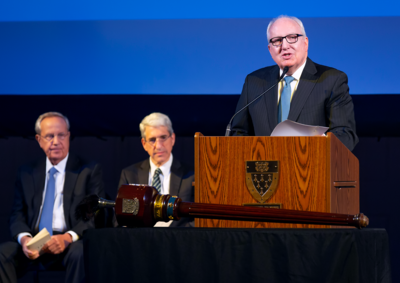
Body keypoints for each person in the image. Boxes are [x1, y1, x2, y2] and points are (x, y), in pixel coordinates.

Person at [0, 112, 104, 283]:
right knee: (2, 255)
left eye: (61, 135)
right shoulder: (26, 172)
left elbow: (94, 215)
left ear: (68, 136)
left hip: (69, 241)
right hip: (35, 240)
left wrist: (67, 237)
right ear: (39, 140)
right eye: (49, 136)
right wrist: (24, 239)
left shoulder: (88, 171)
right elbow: (17, 214)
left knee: (81, 253)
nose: (56, 141)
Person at [231, 15, 358, 151]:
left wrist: (322, 144)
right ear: (270, 49)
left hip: (312, 167)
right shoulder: (254, 82)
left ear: (305, 43)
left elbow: (345, 135)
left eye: (292, 38)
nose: (285, 46)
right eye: (277, 40)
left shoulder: (331, 80)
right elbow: (238, 133)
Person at [118, 112, 194, 227]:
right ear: (144, 143)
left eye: (163, 138)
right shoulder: (129, 174)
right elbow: (120, 218)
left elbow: (197, 220)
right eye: (152, 140)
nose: (158, 146)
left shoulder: (192, 174)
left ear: (172, 139)